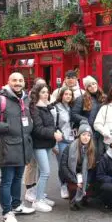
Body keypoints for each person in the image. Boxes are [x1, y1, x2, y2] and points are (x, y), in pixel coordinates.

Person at [0, 72, 35, 222]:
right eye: (14, 80)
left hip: (23, 146)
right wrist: (7, 127)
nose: (17, 83)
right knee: (7, 181)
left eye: (20, 80)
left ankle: (16, 205)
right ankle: (7, 212)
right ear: (8, 82)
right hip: (6, 148)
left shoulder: (25, 99)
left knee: (18, 179)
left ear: (24, 82)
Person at [29, 83, 63, 212]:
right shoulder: (34, 108)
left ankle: (41, 195)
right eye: (42, 92)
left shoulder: (46, 107)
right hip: (38, 144)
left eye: (47, 92)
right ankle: (37, 201)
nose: (45, 94)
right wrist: (53, 134)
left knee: (42, 172)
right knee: (45, 172)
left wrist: (57, 131)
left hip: (47, 143)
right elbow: (38, 129)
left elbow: (51, 124)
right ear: (37, 94)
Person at [59, 120, 97, 210]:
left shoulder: (93, 149)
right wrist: (76, 181)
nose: (86, 137)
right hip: (73, 175)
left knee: (89, 185)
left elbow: (93, 168)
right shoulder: (70, 147)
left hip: (85, 175)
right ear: (79, 135)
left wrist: (86, 181)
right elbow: (63, 166)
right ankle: (73, 200)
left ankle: (85, 197)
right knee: (74, 187)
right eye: (83, 134)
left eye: (88, 135)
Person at [23, 77, 48, 202]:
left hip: (40, 139)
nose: (42, 87)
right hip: (31, 137)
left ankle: (37, 190)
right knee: (31, 165)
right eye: (40, 86)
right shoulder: (29, 100)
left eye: (44, 86)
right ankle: (29, 189)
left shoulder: (45, 101)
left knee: (40, 166)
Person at [72, 76, 106, 157]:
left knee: (100, 153)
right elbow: (74, 114)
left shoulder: (104, 98)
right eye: (89, 86)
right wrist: (86, 120)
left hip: (102, 131)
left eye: (94, 84)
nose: (92, 87)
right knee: (91, 154)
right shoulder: (81, 99)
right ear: (86, 88)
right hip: (90, 132)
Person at [53, 87, 76, 199]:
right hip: (62, 140)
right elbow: (52, 126)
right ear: (61, 95)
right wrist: (55, 144)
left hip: (72, 139)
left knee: (71, 163)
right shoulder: (55, 108)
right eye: (66, 94)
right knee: (62, 164)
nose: (68, 96)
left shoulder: (72, 107)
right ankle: (63, 185)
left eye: (70, 94)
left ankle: (71, 184)